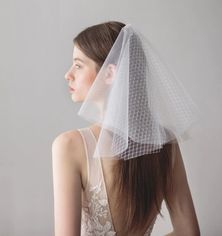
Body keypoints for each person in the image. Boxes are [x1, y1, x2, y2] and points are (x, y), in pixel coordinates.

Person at [52, 21, 200, 236]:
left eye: (78, 65)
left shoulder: (69, 146)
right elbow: (189, 232)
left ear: (110, 73)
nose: (68, 74)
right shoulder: (164, 140)